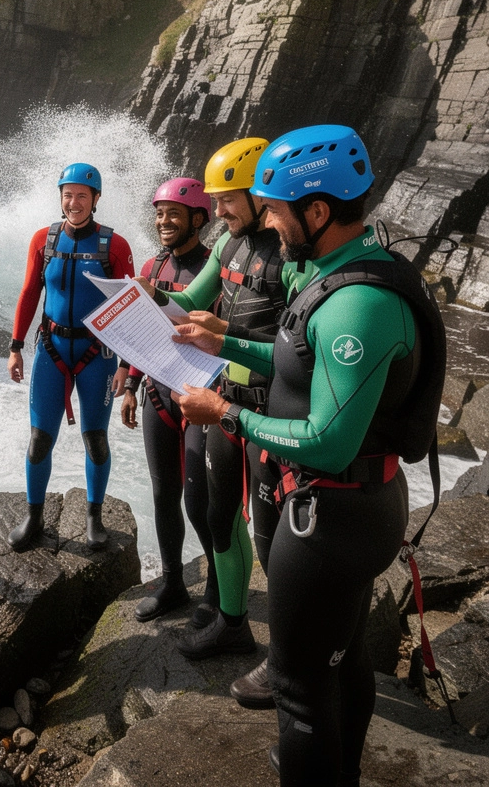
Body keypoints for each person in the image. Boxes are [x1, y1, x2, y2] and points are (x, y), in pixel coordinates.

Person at [172, 124, 441, 787]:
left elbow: (328, 437)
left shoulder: (356, 305)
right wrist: (226, 343)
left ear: (317, 213)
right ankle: (337, 770)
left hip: (332, 519)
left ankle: (317, 762)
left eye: (275, 208)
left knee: (298, 695)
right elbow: (299, 361)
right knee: (341, 662)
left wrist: (225, 412)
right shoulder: (340, 272)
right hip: (352, 509)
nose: (265, 219)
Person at [135, 138, 308, 682]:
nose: (219, 210)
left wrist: (223, 333)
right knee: (215, 516)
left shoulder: (292, 253)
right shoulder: (228, 248)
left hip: (272, 411)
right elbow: (190, 301)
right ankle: (234, 623)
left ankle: (293, 656)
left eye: (228, 199)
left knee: (272, 536)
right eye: (216, 200)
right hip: (221, 403)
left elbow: (296, 345)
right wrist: (144, 295)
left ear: (260, 194)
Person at [6, 164, 135, 551]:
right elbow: (30, 294)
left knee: (95, 439)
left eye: (82, 195)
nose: (73, 202)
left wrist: (127, 366)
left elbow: (129, 307)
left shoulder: (115, 246)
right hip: (52, 349)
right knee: (39, 440)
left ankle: (93, 518)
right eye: (67, 194)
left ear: (96, 199)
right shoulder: (43, 241)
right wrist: (15, 346)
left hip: (98, 354)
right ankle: (34, 516)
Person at [115, 178, 218, 625]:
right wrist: (133, 386)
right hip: (159, 392)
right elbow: (144, 335)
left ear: (199, 218)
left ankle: (218, 589)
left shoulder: (215, 268)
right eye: (159, 214)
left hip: (201, 397)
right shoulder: (154, 266)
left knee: (203, 502)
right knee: (163, 494)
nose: (163, 222)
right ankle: (174, 582)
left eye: (173, 214)